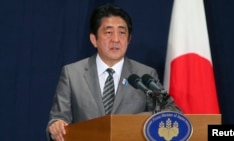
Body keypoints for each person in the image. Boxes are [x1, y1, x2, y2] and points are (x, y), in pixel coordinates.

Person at [46, 3, 182, 141]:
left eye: (122, 33)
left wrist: (135, 121)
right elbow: (58, 118)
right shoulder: (72, 74)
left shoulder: (145, 75)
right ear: (94, 39)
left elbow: (172, 112)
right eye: (108, 32)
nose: (116, 39)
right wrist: (56, 125)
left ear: (129, 39)